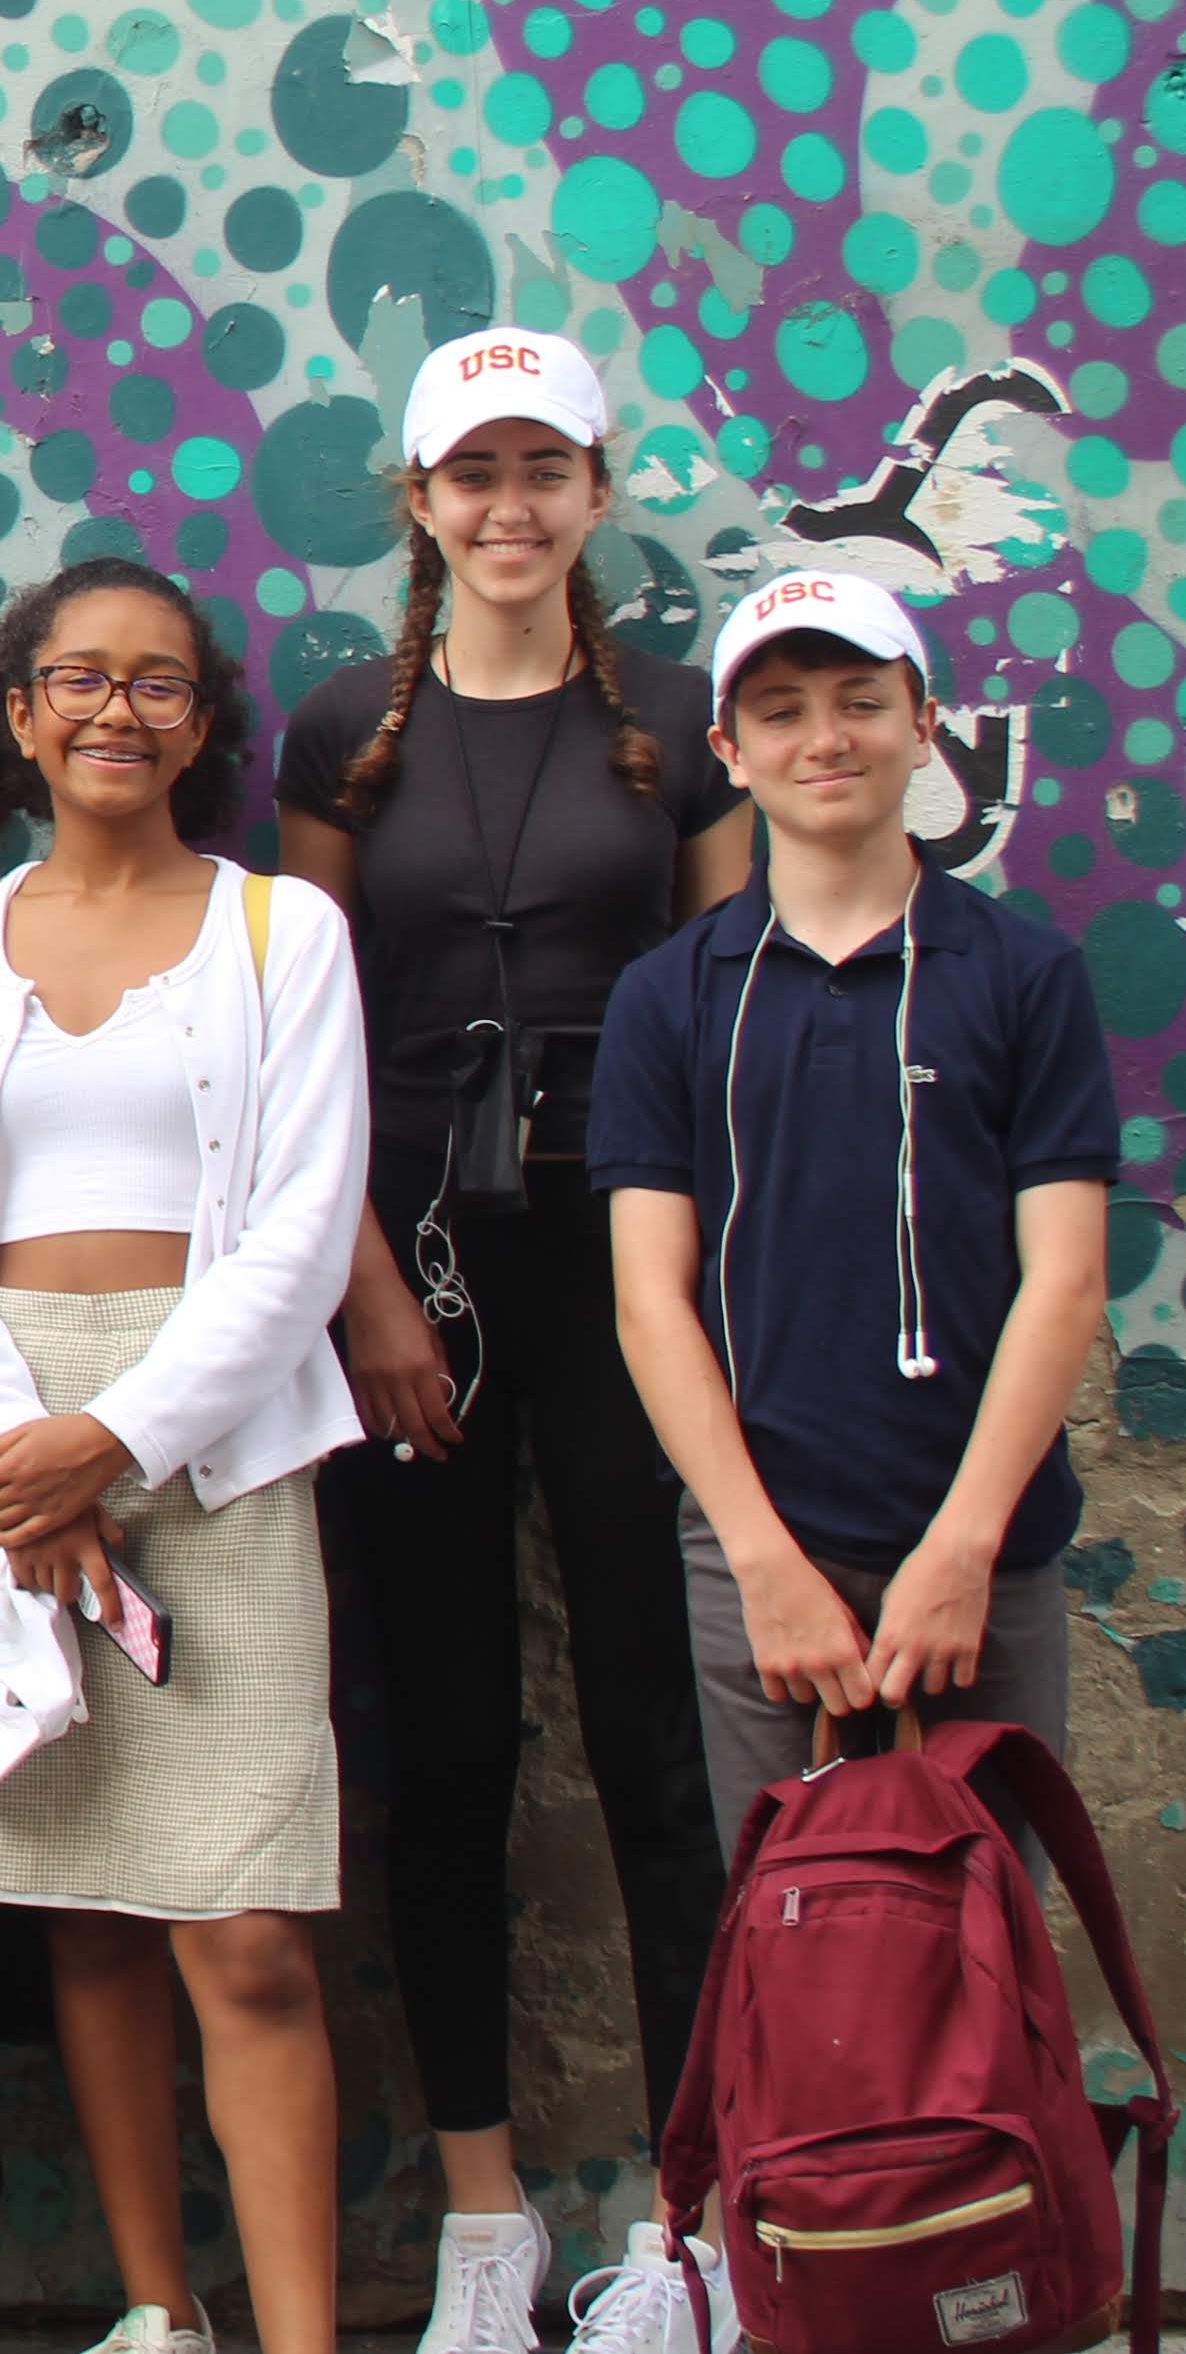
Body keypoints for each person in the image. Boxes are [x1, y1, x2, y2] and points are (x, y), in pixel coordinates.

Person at [271, 332, 743, 2354]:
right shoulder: (335, 736)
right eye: (472, 474)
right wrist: (364, 1282)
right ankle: (482, 2211)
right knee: (450, 1738)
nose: (509, 507)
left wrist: (701, 1294)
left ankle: (690, 2211)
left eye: (542, 468)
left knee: (658, 1740)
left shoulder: (673, 723)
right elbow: (299, 1036)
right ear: (419, 505)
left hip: (627, 1254)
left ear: (593, 487)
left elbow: (721, 1019)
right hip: (417, 1271)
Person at [589, 570, 1119, 2354]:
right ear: (727, 747)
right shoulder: (672, 997)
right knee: (786, 1968)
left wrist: (966, 1543)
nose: (825, 737)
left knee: (983, 1964)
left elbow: (1061, 1276)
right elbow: (651, 1304)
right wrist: (757, 1553)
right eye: (785, 708)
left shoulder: (1018, 972)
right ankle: (783, 2302)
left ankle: (989, 2303)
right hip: (765, 1569)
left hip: (986, 1557)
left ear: (920, 730)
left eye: (860, 701)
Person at [0, 557, 364, 2354]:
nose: (114, 711)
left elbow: (302, 1229)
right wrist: (11, 1452)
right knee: (78, 1910)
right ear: (17, 712)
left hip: (209, 1444)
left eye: (159, 684)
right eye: (76, 677)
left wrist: (114, 1439)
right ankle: (159, 2312)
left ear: (203, 726)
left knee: (238, 1926)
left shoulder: (275, 932)